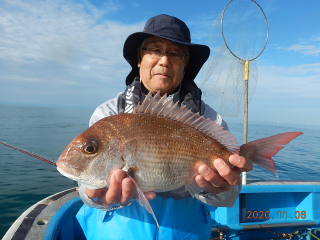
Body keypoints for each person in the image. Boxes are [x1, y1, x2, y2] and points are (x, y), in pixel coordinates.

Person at [76, 14, 253, 240]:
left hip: (186, 233)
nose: (164, 61)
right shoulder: (109, 114)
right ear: (139, 58)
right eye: (154, 50)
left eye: (176, 53)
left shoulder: (210, 120)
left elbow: (229, 199)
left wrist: (217, 188)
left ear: (185, 63)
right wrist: (94, 196)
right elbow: (86, 186)